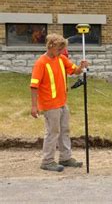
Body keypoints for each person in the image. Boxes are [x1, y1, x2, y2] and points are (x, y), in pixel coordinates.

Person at [30, 33, 89, 172]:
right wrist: (34, 106)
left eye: (63, 48)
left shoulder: (61, 59)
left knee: (64, 130)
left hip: (62, 102)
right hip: (50, 104)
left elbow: (74, 70)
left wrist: (81, 67)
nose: (61, 50)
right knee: (53, 132)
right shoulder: (41, 63)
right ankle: (47, 161)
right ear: (50, 46)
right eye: (59, 48)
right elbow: (34, 85)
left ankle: (65, 158)